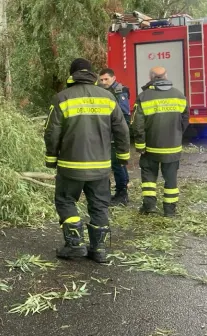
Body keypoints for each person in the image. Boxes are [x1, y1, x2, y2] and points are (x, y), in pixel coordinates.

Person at [44, 58, 131, 263]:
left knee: (66, 201)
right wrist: (122, 156)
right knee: (99, 205)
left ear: (71, 75)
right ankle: (98, 249)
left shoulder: (61, 98)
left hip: (70, 165)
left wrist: (51, 159)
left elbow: (51, 133)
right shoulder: (108, 97)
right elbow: (122, 129)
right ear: (92, 75)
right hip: (100, 166)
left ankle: (75, 245)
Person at [131, 66, 190, 217]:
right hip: (173, 147)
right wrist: (177, 134)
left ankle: (149, 207)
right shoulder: (179, 95)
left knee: (149, 177)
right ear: (166, 76)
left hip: (151, 147)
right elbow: (185, 119)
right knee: (171, 179)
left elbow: (138, 124)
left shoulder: (144, 96)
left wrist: (140, 145)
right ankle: (170, 211)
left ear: (151, 77)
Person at [98, 68, 131, 206]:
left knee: (117, 164)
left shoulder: (118, 92)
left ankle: (122, 194)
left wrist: (119, 135)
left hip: (114, 135)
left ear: (113, 78)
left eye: (106, 79)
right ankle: (120, 190)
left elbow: (124, 116)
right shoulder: (103, 91)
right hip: (106, 134)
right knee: (115, 164)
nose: (104, 82)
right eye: (101, 79)